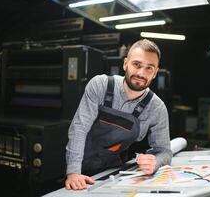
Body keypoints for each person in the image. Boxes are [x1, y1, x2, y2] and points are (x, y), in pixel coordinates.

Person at [65, 39, 172, 190]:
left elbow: (164, 151)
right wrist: (73, 173)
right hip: (78, 166)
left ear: (155, 73)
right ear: (125, 63)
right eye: (137, 64)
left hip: (113, 172)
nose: (141, 73)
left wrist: (155, 161)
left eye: (149, 68)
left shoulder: (157, 108)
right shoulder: (100, 85)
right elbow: (79, 128)